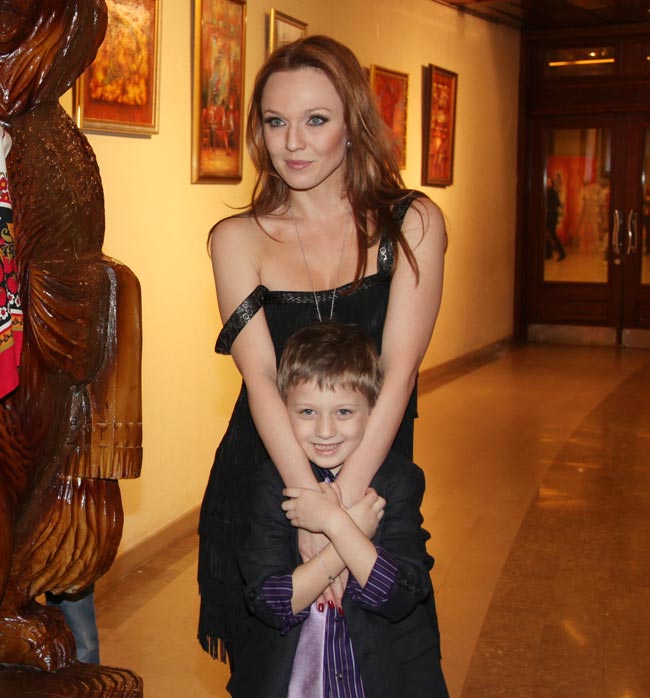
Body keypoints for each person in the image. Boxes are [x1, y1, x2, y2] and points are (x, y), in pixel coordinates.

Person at [198, 35, 446, 665]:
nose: (293, 143)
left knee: (384, 667)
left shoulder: (411, 224)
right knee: (273, 675)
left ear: (352, 125)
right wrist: (304, 506)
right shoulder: (237, 239)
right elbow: (260, 377)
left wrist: (337, 513)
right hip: (268, 482)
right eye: (275, 122)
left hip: (371, 483)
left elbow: (398, 373)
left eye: (315, 120)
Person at [228, 321, 448, 697]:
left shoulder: (399, 481)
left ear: (373, 411)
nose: (325, 431)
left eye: (344, 411)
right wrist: (344, 542)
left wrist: (334, 521)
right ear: (283, 411)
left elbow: (401, 595)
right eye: (307, 412)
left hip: (384, 680)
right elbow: (270, 602)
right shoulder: (272, 484)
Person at [545, 176, 566, 261]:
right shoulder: (548, 192)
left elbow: (557, 204)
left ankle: (561, 253)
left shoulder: (552, 192)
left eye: (549, 182)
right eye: (546, 182)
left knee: (552, 234)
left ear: (551, 183)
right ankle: (549, 253)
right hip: (550, 215)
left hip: (552, 216)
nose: (547, 183)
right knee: (547, 234)